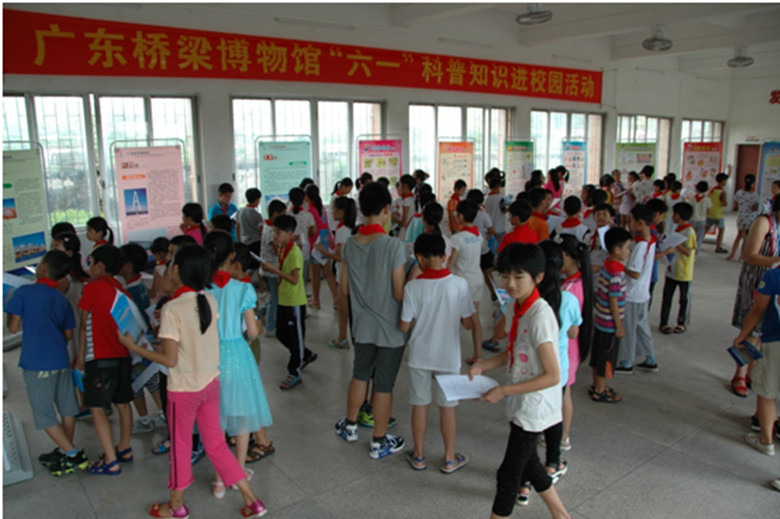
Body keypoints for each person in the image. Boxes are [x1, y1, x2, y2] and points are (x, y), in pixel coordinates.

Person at [117, 245, 267, 518]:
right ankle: (252, 500)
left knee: (181, 448)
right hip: (210, 385)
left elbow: (170, 359)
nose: (165, 270)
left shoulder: (173, 308)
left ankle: (176, 507)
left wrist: (134, 347)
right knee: (217, 446)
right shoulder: (207, 299)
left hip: (184, 391)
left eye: (170, 264)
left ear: (177, 270)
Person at [467, 243, 571, 519]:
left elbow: (553, 375)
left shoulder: (539, 316)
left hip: (533, 405)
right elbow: (515, 352)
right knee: (530, 464)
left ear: (538, 277)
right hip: (521, 400)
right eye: (505, 276)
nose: (510, 283)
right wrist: (483, 365)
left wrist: (504, 390)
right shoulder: (517, 306)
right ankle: (561, 515)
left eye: (518, 277)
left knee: (508, 474)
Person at [335, 182, 408, 460]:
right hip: (390, 329)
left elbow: (343, 289)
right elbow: (399, 292)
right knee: (384, 384)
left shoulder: (350, 245)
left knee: (360, 374)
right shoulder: (393, 245)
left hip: (362, 327)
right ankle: (379, 442)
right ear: (387, 209)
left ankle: (350, 426)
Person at [4, 250, 89, 476]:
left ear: (42, 268)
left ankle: (73, 455)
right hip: (61, 360)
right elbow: (68, 335)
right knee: (67, 408)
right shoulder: (61, 299)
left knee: (44, 414)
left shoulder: (23, 292)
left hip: (37, 362)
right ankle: (65, 452)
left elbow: (12, 328)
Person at [203, 231, 273, 497]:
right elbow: (252, 332)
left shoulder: (201, 289)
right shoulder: (243, 288)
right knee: (241, 416)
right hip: (236, 354)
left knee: (217, 418)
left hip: (210, 355)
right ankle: (237, 473)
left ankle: (218, 481)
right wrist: (257, 326)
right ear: (231, 255)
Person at [400, 233, 474, 473]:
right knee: (448, 407)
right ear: (444, 256)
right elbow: (468, 323)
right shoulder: (459, 284)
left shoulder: (412, 287)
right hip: (448, 356)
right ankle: (449, 458)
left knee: (419, 404)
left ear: (419, 257)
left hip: (420, 355)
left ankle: (419, 455)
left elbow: (404, 326)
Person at [76, 245, 134, 474]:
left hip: (99, 357)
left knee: (97, 407)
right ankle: (124, 448)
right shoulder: (122, 290)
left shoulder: (92, 287)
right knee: (123, 403)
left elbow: (83, 324)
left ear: (100, 266)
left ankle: (110, 460)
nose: (89, 268)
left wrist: (80, 356)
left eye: (91, 263)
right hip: (123, 355)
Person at [536, 240, 581, 490]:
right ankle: (553, 463)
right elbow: (573, 333)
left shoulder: (530, 298)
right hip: (558, 370)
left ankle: (526, 476)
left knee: (530, 421)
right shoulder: (568, 299)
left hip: (532, 370)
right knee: (554, 415)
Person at [259, 215, 317, 390]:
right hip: (284, 299)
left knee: (296, 338)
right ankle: (305, 354)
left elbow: (294, 279)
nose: (275, 236)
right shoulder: (283, 249)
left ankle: (294, 371)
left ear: (290, 234)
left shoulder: (293, 253)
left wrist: (273, 270)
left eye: (279, 232)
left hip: (294, 301)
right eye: (274, 232)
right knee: (281, 334)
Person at [730, 196, 780, 397]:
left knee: (763, 332)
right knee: (751, 331)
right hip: (757, 283)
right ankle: (740, 374)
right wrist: (777, 260)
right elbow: (751, 256)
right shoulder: (764, 222)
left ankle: (750, 372)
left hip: (775, 285)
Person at [733, 268, 780, 460]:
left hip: (775, 342)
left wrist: (743, 335)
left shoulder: (774, 276)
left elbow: (758, 310)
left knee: (767, 393)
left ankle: (766, 441)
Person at [118, 243, 166, 435]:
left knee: (137, 382)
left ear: (128, 266)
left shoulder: (130, 291)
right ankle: (161, 413)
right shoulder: (139, 285)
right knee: (150, 380)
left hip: (137, 343)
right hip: (145, 340)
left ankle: (146, 418)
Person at [616, 205, 666, 373]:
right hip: (643, 293)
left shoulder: (640, 246)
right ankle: (650, 358)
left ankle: (626, 362)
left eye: (632, 221)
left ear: (641, 223)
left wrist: (620, 266)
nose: (629, 224)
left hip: (632, 294)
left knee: (629, 329)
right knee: (642, 327)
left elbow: (635, 273)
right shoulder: (651, 238)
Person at [558, 234, 593, 451]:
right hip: (574, 347)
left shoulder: (570, 289)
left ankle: (562, 437)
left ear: (567, 256)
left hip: (567, 347)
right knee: (565, 391)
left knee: (564, 393)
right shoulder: (580, 281)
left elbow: (570, 329)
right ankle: (561, 435)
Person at [590, 227, 632, 403]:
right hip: (609, 324)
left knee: (597, 354)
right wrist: (619, 326)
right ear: (617, 250)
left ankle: (596, 385)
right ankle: (600, 390)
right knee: (606, 358)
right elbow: (613, 300)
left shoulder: (607, 264)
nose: (629, 251)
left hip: (600, 320)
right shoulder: (616, 272)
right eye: (627, 248)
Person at [449, 200, 486, 365]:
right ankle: (478, 355)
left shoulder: (457, 238)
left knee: (453, 319)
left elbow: (451, 263)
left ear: (461, 216)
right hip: (477, 280)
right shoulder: (478, 236)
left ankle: (451, 358)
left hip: (462, 283)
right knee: (475, 317)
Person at [319, 196, 357, 350]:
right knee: (342, 307)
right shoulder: (347, 229)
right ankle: (342, 337)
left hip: (344, 274)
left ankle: (344, 337)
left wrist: (322, 251)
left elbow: (341, 257)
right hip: (346, 274)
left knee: (344, 308)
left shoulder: (342, 231)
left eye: (334, 209)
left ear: (342, 211)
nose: (332, 212)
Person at [659, 203, 696, 335]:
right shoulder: (677, 229)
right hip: (672, 268)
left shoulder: (689, 231)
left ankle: (682, 323)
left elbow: (689, 251)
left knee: (684, 299)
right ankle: (664, 322)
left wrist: (676, 243)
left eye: (673, 213)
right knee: (667, 297)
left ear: (678, 215)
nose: (672, 216)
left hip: (684, 272)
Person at [305, 184, 338, 310]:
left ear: (307, 197)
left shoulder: (310, 211)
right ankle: (336, 299)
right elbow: (326, 225)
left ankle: (316, 300)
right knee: (328, 273)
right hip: (324, 241)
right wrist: (330, 239)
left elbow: (312, 230)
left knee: (315, 275)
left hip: (315, 245)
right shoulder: (321, 208)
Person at [258, 200, 286, 338]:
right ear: (275, 214)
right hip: (271, 270)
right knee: (275, 299)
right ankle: (270, 326)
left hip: (267, 269)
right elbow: (277, 251)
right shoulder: (271, 231)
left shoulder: (267, 226)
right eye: (283, 215)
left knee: (272, 296)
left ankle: (262, 311)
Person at [728, 174, 760, 262]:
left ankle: (732, 254)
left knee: (738, 235)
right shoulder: (755, 195)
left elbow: (735, 204)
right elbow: (755, 208)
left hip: (740, 217)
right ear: (753, 183)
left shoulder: (739, 192)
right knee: (745, 237)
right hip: (749, 218)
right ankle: (742, 255)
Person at [288, 187, 316, 281]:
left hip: (290, 249)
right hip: (304, 249)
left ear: (290, 199)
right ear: (304, 199)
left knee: (291, 276)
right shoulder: (308, 215)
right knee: (302, 278)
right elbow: (313, 232)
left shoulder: (286, 215)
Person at [235, 188, 264, 258]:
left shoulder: (240, 211)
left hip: (244, 242)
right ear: (257, 199)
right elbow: (261, 230)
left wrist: (239, 241)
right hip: (256, 242)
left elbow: (237, 227)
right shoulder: (257, 215)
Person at [588, 203, 615, 273]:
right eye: (598, 214)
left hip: (604, 272)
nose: (600, 217)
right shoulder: (589, 235)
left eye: (604, 214)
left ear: (612, 218)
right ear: (593, 217)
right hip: (589, 271)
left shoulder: (613, 237)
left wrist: (601, 268)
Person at [707, 172, 729, 254]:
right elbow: (724, 204)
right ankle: (718, 247)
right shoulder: (722, 192)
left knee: (705, 229)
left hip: (710, 213)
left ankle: (698, 243)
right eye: (725, 180)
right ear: (722, 181)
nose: (726, 182)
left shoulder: (712, 190)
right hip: (718, 214)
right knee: (721, 230)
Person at [690, 181, 712, 256]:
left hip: (692, 219)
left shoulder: (692, 198)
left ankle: (690, 249)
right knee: (699, 237)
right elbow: (708, 211)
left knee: (691, 236)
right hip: (702, 220)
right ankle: (696, 252)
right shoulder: (707, 199)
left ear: (696, 188)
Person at [484, 172, 507, 239]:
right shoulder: (500, 198)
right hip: (499, 228)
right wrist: (509, 208)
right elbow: (503, 211)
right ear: (498, 186)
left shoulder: (487, 198)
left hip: (489, 227)